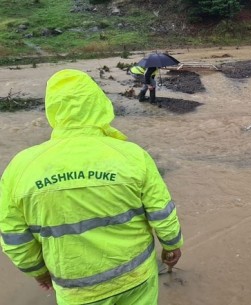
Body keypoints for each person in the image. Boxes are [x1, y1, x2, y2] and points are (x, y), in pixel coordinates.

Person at [0, 69, 183, 305]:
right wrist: (172, 246)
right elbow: (162, 212)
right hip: (136, 279)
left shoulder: (20, 168)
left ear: (52, 110)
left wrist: (37, 271)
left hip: (77, 290)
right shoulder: (132, 155)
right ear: (99, 103)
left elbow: (14, 236)